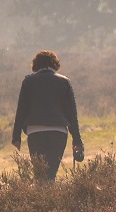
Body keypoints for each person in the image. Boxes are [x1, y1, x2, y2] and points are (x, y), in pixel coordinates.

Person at [12, 50, 84, 183]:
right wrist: (77, 140)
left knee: (40, 173)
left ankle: (42, 199)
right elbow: (71, 113)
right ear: (55, 64)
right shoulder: (64, 82)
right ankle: (49, 199)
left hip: (35, 132)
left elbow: (21, 109)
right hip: (58, 132)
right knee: (51, 172)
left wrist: (16, 136)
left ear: (35, 65)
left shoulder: (28, 81)